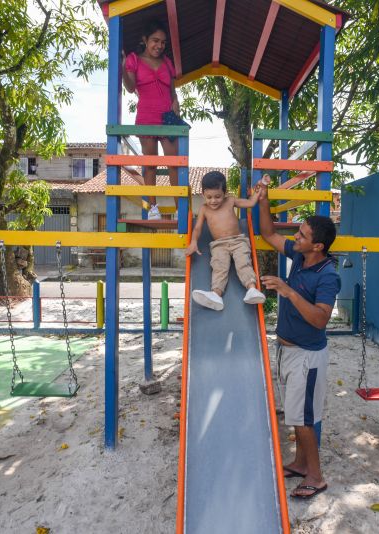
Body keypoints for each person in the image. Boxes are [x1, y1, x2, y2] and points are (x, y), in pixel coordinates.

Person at [256, 176, 340, 500]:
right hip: (287, 351)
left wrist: (289, 291)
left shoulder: (327, 276)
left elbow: (320, 319)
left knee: (304, 420)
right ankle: (300, 463)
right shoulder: (301, 257)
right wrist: (263, 199)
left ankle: (316, 476)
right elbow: (268, 233)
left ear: (317, 246)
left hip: (307, 356)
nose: (296, 235)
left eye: (302, 234)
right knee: (295, 414)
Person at [122, 20, 180, 220]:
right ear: (145, 40)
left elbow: (173, 92)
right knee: (150, 165)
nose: (160, 45)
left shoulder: (167, 62)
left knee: (175, 163)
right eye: (155, 40)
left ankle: (179, 209)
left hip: (167, 118)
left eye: (163, 42)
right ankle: (153, 209)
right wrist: (123, 68)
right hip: (146, 117)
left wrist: (176, 113)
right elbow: (130, 87)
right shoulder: (133, 60)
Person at [185, 171, 267, 311]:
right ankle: (216, 294)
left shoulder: (231, 201)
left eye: (217, 196)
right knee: (219, 266)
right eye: (209, 197)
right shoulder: (204, 209)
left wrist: (261, 187)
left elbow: (251, 202)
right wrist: (193, 242)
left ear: (225, 192)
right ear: (204, 194)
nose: (213, 201)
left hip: (238, 241)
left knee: (243, 262)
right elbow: (198, 228)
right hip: (219, 245)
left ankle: (252, 289)